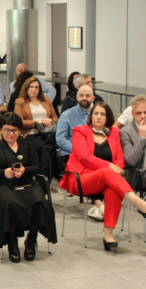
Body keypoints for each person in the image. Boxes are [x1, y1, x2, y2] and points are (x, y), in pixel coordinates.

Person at [59, 102, 146, 251]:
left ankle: (108, 235)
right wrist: (110, 166)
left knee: (114, 190)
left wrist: (115, 167)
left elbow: (119, 157)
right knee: (106, 172)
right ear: (91, 116)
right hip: (81, 179)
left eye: (103, 114)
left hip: (107, 179)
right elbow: (84, 157)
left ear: (108, 117)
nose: (99, 117)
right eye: (96, 113)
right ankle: (138, 202)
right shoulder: (80, 131)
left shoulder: (113, 132)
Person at [0, 112, 57, 262]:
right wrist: (3, 172)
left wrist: (25, 170)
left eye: (15, 130)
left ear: (20, 131)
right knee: (12, 203)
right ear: (1, 130)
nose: (11, 134)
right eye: (7, 130)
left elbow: (36, 167)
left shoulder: (27, 146)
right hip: (4, 185)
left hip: (27, 183)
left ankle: (32, 239)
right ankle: (12, 242)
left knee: (39, 202)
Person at [56, 85, 105, 221]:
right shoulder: (67, 115)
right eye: (81, 95)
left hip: (95, 154)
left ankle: (98, 205)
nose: (84, 98)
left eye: (87, 95)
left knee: (105, 167)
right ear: (77, 97)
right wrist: (79, 150)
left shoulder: (99, 115)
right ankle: (100, 204)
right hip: (73, 155)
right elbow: (60, 139)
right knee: (92, 169)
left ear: (93, 98)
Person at [15, 76, 58, 159]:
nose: (33, 89)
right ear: (26, 88)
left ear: (39, 89)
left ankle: (56, 167)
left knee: (58, 145)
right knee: (43, 147)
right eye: (31, 87)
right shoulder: (20, 101)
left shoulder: (46, 100)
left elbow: (55, 118)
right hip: (31, 133)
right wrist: (37, 122)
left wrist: (49, 120)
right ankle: (44, 167)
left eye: (36, 87)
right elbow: (19, 122)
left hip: (48, 131)